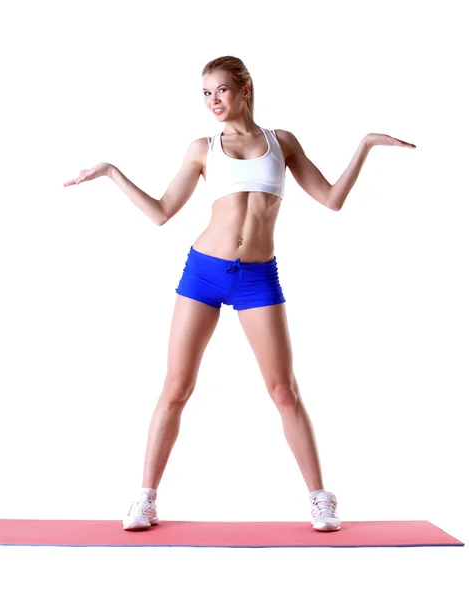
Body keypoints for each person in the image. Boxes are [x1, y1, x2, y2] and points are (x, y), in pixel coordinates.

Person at [63, 55, 416, 533]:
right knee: (176, 388)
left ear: (245, 89)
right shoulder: (202, 147)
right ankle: (145, 498)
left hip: (257, 278)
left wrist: (366, 145)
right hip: (202, 273)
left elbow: (331, 199)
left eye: (222, 91)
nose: (213, 102)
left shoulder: (281, 143)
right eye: (206, 93)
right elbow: (163, 211)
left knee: (283, 390)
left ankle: (320, 499)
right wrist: (110, 172)